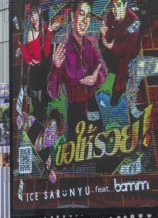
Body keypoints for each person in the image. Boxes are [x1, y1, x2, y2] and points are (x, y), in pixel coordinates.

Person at [48, 0, 108, 141]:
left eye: (87, 15)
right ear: (72, 16)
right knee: (77, 154)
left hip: (93, 106)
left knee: (98, 150)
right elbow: (53, 92)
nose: (84, 20)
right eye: (81, 14)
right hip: (75, 110)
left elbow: (103, 69)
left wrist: (96, 78)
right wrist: (56, 68)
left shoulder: (93, 43)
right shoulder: (62, 47)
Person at [18, 0, 59, 141]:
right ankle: (30, 136)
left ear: (40, 13)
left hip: (43, 73)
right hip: (34, 74)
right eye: (32, 16)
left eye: (35, 15)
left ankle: (31, 135)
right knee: (39, 109)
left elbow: (47, 52)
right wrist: (28, 56)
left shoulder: (44, 29)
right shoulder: (30, 33)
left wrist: (48, 32)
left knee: (42, 110)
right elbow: (29, 57)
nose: (34, 19)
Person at [100, 0, 140, 106]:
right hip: (111, 46)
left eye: (118, 6)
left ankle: (117, 92)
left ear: (125, 4)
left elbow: (128, 48)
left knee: (123, 65)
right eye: (113, 6)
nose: (115, 10)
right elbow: (105, 35)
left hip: (127, 52)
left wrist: (111, 45)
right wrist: (105, 37)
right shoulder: (109, 15)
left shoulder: (134, 20)